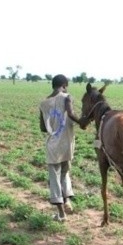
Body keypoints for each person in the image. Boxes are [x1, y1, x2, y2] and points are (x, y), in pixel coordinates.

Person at [39, 74, 84, 222]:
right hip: (67, 144)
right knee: (65, 174)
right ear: (64, 85)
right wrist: (82, 122)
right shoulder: (67, 97)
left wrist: (54, 124)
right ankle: (68, 202)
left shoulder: (44, 103)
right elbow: (71, 114)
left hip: (53, 146)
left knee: (54, 178)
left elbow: (43, 128)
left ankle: (61, 214)